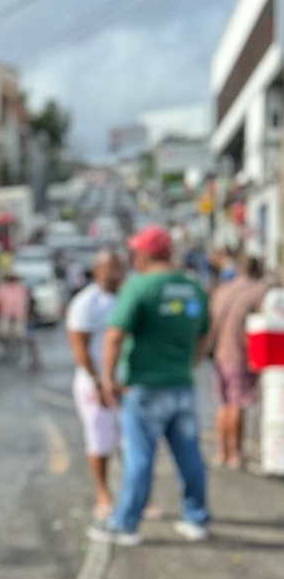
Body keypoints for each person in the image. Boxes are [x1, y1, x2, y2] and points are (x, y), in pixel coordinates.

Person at [89, 225, 211, 546]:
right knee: (190, 455)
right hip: (181, 384)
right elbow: (203, 337)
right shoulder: (193, 287)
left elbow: (114, 336)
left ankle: (126, 524)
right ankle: (196, 518)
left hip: (145, 386)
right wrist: (188, 365)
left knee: (140, 457)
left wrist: (108, 379)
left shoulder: (140, 287)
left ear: (142, 255)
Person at [66, 250, 123, 521]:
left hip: (126, 383)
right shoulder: (86, 303)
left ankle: (134, 496)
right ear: (97, 271)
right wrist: (99, 383)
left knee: (131, 444)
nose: (114, 274)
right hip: (96, 383)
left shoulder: (126, 298)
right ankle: (103, 494)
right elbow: (80, 348)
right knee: (100, 442)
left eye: (118, 268)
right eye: (108, 268)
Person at [206, 255, 267, 469]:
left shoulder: (222, 290)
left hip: (220, 352)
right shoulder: (258, 291)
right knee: (238, 403)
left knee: (223, 402)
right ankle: (235, 453)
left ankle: (222, 451)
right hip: (242, 353)